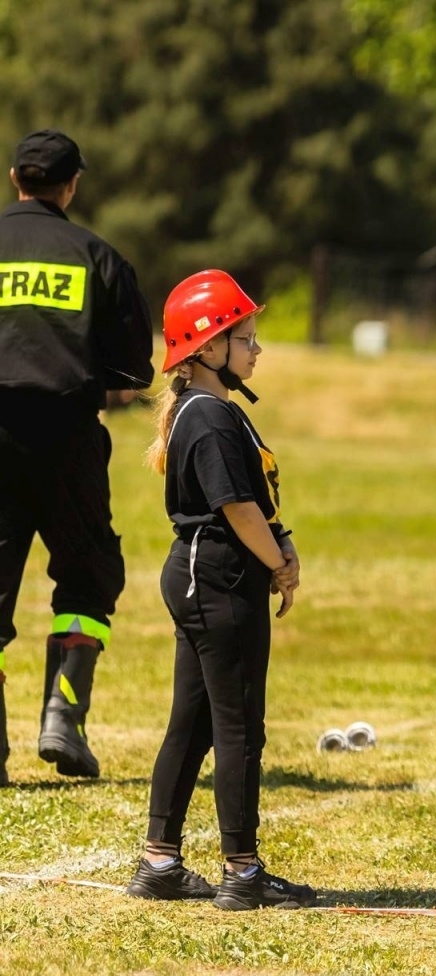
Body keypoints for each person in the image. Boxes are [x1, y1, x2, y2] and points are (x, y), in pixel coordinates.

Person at [124, 270, 315, 909]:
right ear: (208, 348)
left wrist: (281, 542)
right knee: (239, 728)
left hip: (207, 575)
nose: (256, 349)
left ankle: (160, 863)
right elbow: (235, 507)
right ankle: (242, 872)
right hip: (220, 579)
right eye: (245, 338)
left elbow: (255, 501)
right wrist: (279, 564)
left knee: (197, 720)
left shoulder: (211, 410)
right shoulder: (208, 417)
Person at [0, 129, 153, 785]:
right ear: (72, 185)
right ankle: (63, 719)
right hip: (68, 439)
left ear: (16, 178)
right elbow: (135, 369)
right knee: (88, 579)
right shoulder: (99, 257)